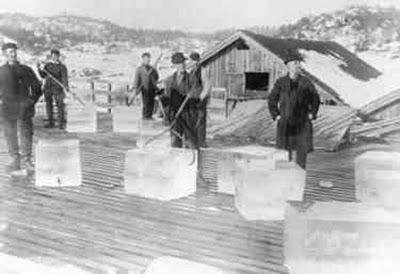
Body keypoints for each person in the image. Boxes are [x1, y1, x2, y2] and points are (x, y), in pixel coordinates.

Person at [267, 53, 321, 169]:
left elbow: (315, 98)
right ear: (288, 66)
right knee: (285, 151)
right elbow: (272, 99)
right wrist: (276, 115)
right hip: (286, 122)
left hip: (302, 122)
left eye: (298, 63)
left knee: (302, 151)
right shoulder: (281, 82)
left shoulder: (306, 82)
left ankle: (300, 174)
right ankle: (285, 176)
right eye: (295, 63)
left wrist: (312, 113)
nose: (298, 66)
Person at [0, 42, 43, 174]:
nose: (12, 55)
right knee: (9, 134)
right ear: (4, 55)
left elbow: (37, 88)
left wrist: (31, 101)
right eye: (9, 53)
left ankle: (27, 160)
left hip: (24, 107)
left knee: (26, 133)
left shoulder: (26, 70)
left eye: (13, 52)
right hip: (7, 108)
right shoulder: (1, 71)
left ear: (16, 53)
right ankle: (15, 159)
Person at [164, 52, 199, 148]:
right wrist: (166, 116)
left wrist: (193, 95)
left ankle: (191, 161)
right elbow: (167, 100)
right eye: (179, 63)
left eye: (183, 62)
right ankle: (176, 161)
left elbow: (198, 94)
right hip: (175, 115)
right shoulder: (169, 81)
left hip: (188, 115)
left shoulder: (192, 78)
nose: (183, 65)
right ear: (174, 65)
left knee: (191, 142)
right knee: (175, 142)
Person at [38, 49, 68, 129]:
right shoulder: (48, 65)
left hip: (58, 88)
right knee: (49, 105)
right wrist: (39, 69)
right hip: (48, 88)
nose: (55, 57)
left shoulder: (62, 67)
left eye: (56, 56)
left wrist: (65, 86)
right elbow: (43, 75)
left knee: (60, 105)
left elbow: (65, 77)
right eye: (53, 56)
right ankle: (50, 122)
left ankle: (61, 124)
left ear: (59, 56)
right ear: (51, 56)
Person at [188, 51, 211, 148]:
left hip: (200, 100)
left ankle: (201, 142)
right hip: (192, 100)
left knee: (201, 121)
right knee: (193, 121)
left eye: (195, 60)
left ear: (198, 61)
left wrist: (202, 97)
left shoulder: (203, 70)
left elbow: (207, 86)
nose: (194, 62)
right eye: (192, 60)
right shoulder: (191, 71)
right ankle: (194, 142)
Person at [133, 52, 159, 120]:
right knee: (145, 104)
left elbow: (156, 77)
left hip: (152, 88)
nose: (147, 61)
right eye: (146, 59)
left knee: (151, 103)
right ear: (143, 59)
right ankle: (145, 117)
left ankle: (149, 116)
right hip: (144, 88)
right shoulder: (139, 69)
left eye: (148, 60)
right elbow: (136, 80)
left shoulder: (152, 68)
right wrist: (135, 89)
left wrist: (155, 70)